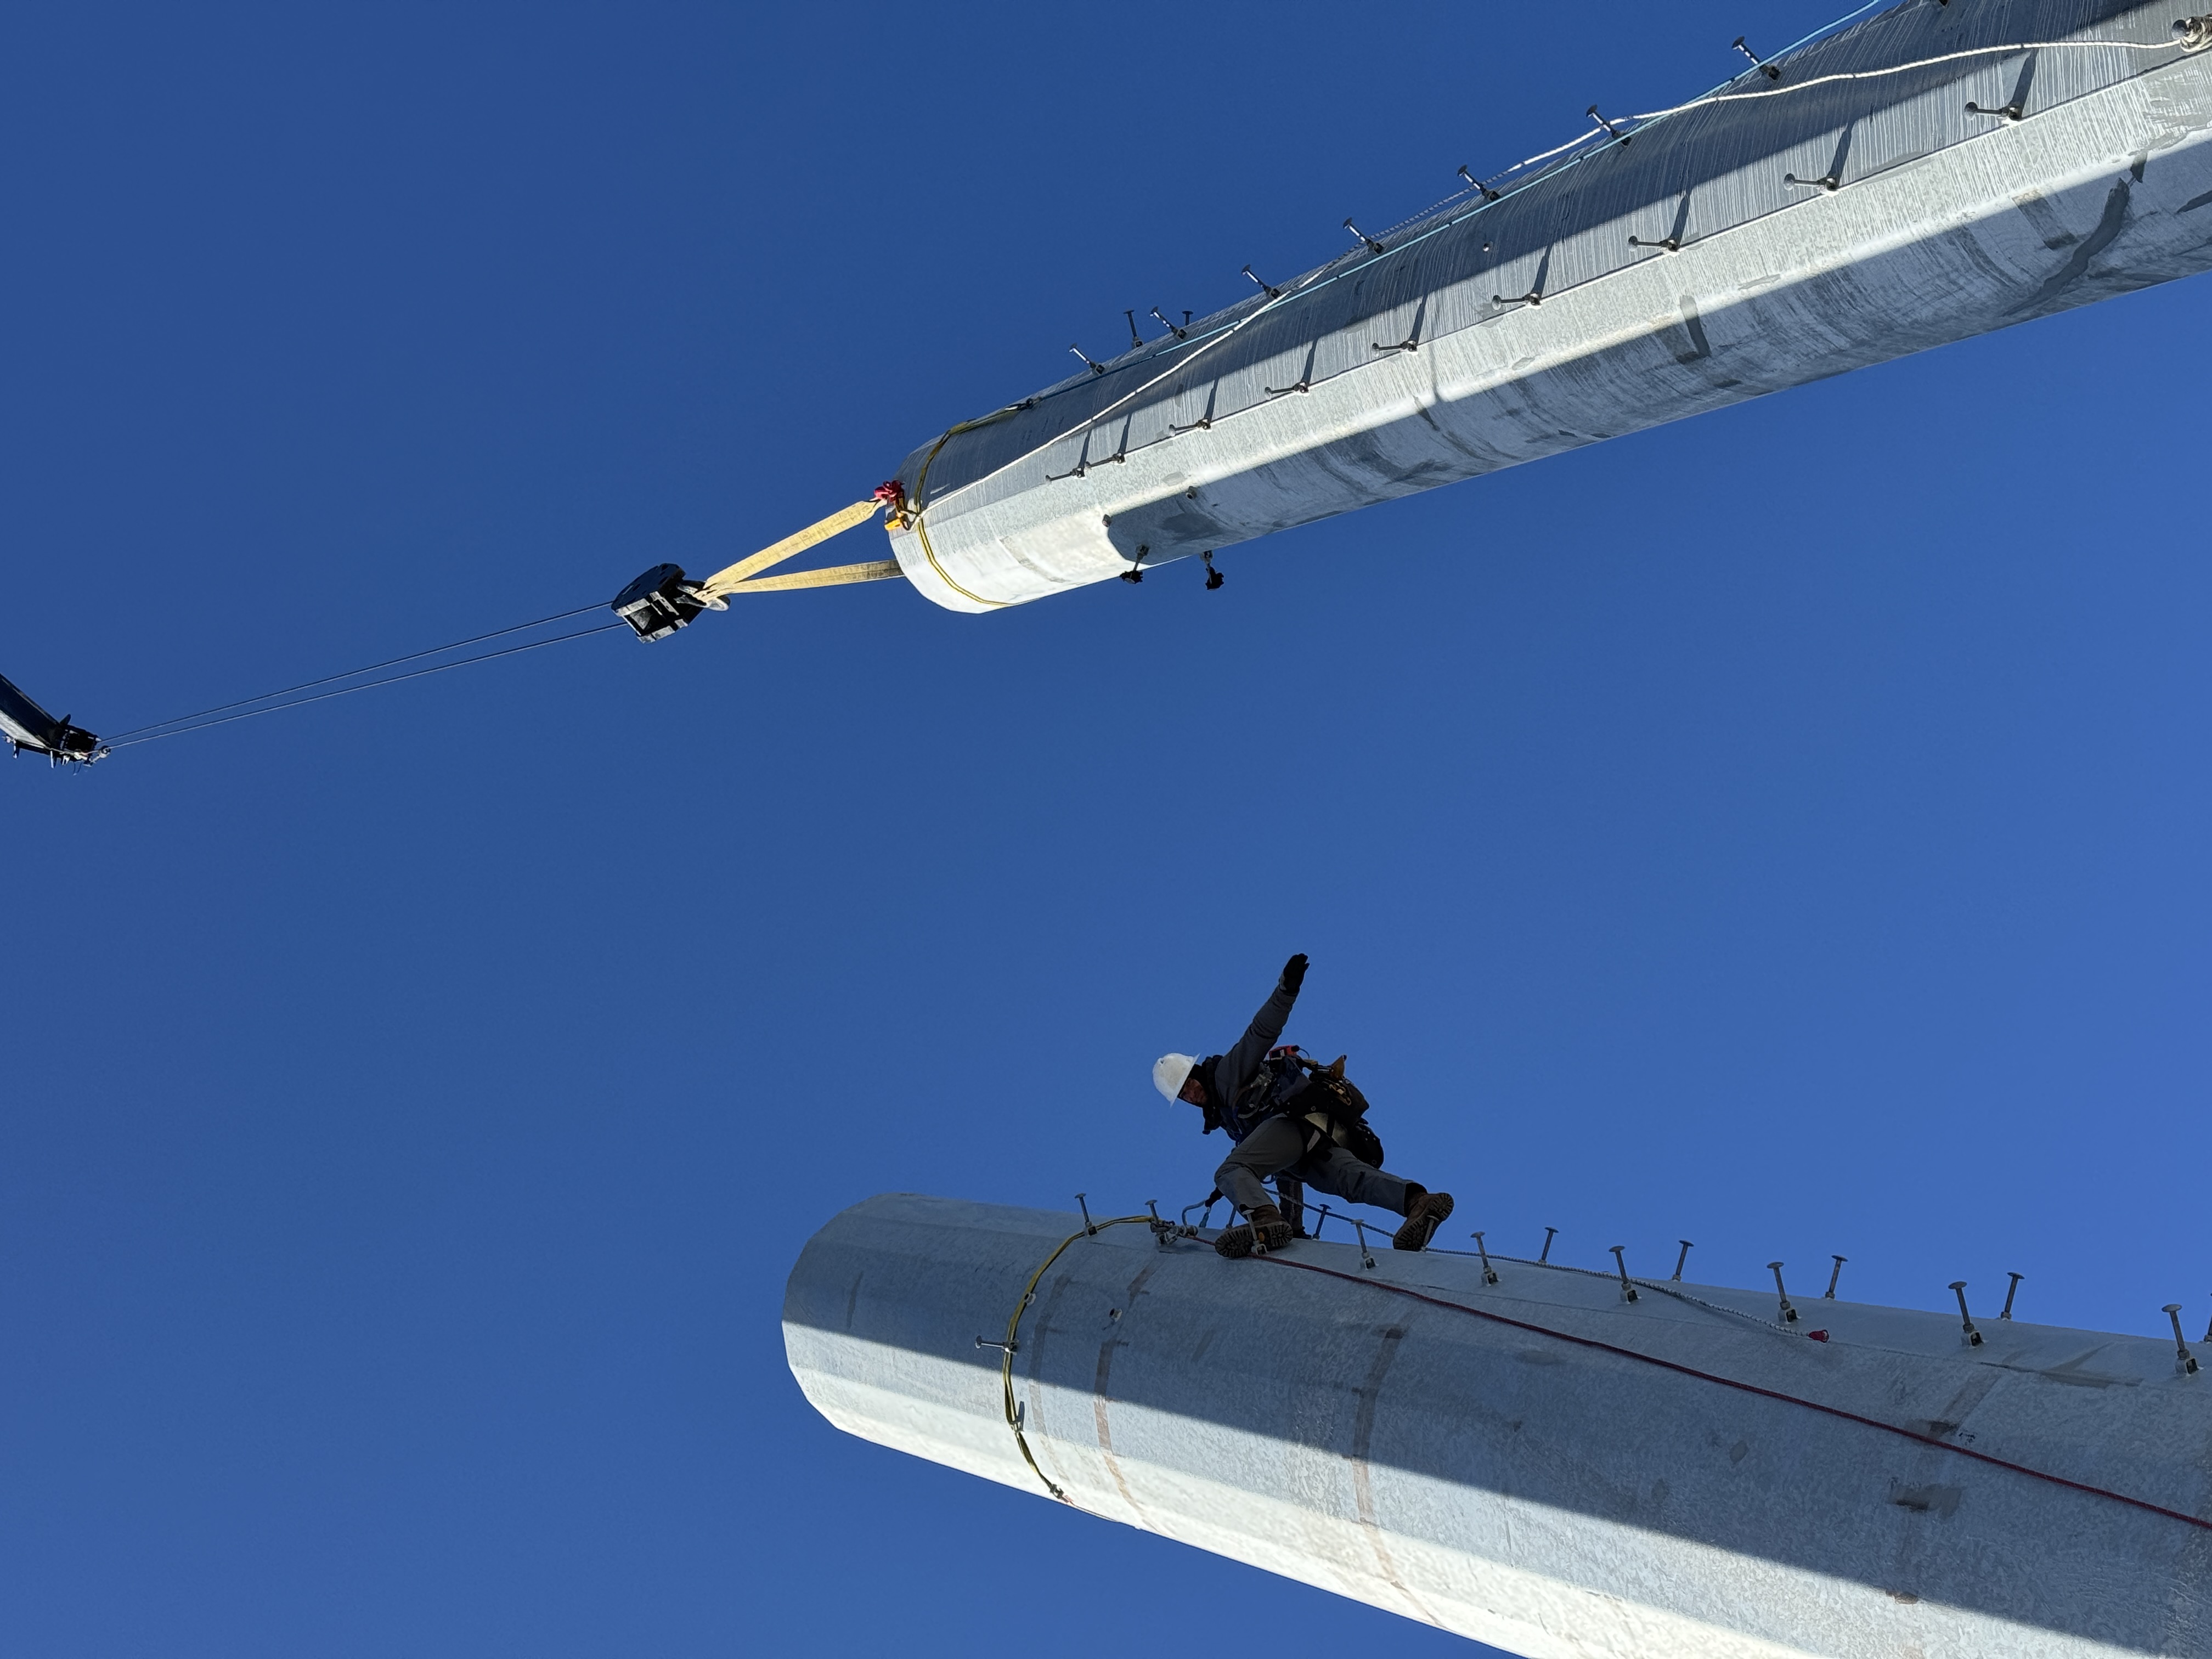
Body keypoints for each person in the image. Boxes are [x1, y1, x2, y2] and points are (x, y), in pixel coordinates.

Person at [1153, 953, 1454, 1259]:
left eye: (1188, 1085)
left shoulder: (1226, 1075)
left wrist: (1286, 990)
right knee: (1353, 1181)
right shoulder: (1230, 1114)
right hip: (1314, 1134)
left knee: (1231, 1169)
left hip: (1294, 1124)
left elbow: (1260, 1033)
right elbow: (1280, 1165)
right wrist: (1292, 1228)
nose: (1190, 1095)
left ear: (1196, 1073)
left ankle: (1263, 1218)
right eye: (1182, 1096)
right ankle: (1418, 1202)